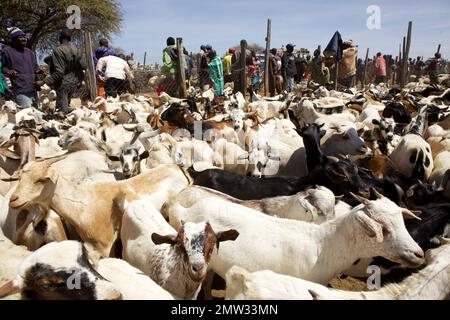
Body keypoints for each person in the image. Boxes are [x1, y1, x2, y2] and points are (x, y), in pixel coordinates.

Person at [44, 29, 85, 114]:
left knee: (62, 113)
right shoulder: (77, 50)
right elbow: (84, 66)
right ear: (70, 39)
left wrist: (44, 81)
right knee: (67, 107)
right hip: (74, 84)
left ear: (60, 38)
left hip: (63, 84)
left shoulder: (58, 50)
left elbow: (59, 72)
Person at [1, 27, 42, 108]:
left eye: (24, 37)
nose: (24, 39)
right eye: (20, 37)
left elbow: (35, 67)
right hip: (20, 90)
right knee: (28, 116)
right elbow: (3, 68)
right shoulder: (7, 51)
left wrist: (39, 70)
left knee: (37, 115)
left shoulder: (29, 52)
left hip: (33, 90)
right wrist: (9, 71)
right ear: (14, 39)